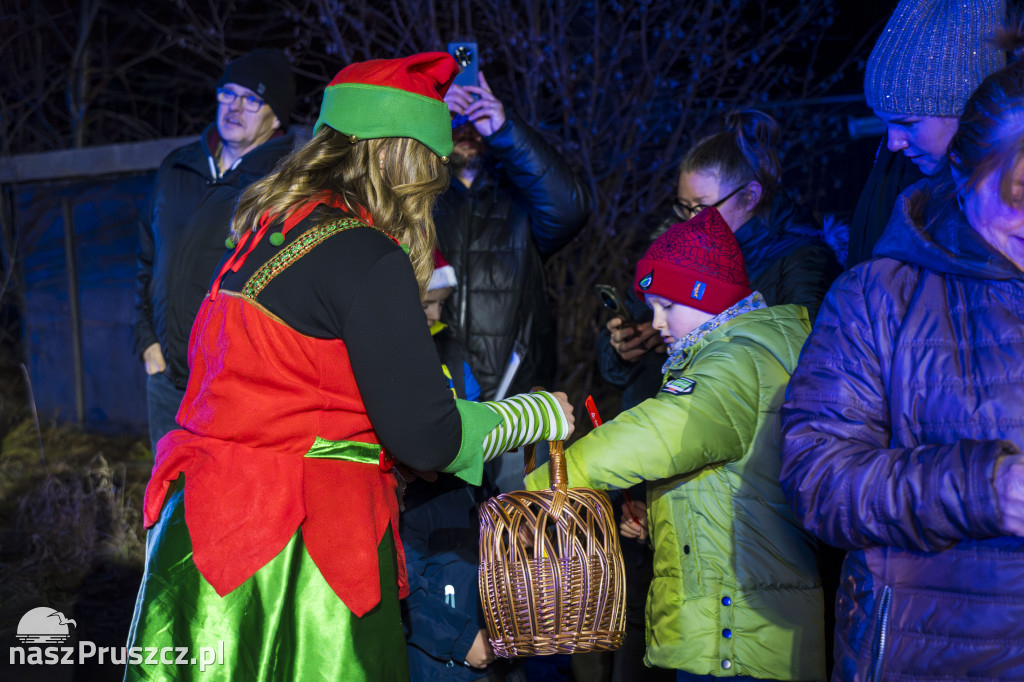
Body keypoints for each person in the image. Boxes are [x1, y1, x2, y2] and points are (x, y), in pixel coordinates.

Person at [123, 53, 575, 682]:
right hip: (295, 559)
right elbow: (427, 435)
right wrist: (533, 413)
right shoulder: (365, 254)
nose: (434, 183)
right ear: (397, 155)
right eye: (430, 163)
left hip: (206, 538)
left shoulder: (267, 230)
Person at [780, 49, 1024, 678]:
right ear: (965, 173)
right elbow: (818, 477)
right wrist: (983, 488)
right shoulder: (880, 295)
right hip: (929, 653)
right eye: (1017, 197)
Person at [527, 208, 825, 681]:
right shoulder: (746, 350)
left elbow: (659, 433)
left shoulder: (734, 361)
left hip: (739, 637)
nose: (657, 321)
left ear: (707, 298)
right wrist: (659, 516)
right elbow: (728, 490)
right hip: (738, 624)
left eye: (668, 304)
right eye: (652, 306)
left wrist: (547, 483)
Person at [600, 109, 838, 413]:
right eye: (683, 207)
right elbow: (622, 342)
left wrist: (691, 335)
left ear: (750, 196)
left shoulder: (803, 263)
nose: (690, 219)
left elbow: (804, 365)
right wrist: (622, 348)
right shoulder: (678, 248)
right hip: (659, 420)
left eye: (701, 207)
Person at [133, 48, 298, 452]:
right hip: (167, 376)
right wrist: (145, 341)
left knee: (229, 506)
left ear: (275, 116)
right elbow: (146, 260)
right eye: (229, 93)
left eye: (252, 99)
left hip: (239, 386)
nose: (236, 107)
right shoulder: (178, 167)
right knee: (167, 502)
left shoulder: (286, 182)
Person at [401, 250, 528, 681]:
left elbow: (474, 417)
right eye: (425, 304)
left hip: (464, 496)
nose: (437, 314)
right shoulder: (389, 357)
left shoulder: (450, 351)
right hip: (420, 512)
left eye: (442, 302)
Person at [437, 70, 592, 401]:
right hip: (435, 389)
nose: (467, 128)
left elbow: (571, 209)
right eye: (456, 119)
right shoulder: (420, 199)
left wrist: (504, 130)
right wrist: (429, 119)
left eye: (475, 119)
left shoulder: (520, 200)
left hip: (515, 392)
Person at [845, 0, 1004, 268]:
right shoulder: (894, 178)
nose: (893, 143)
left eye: (907, 123)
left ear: (965, 110)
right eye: (887, 126)